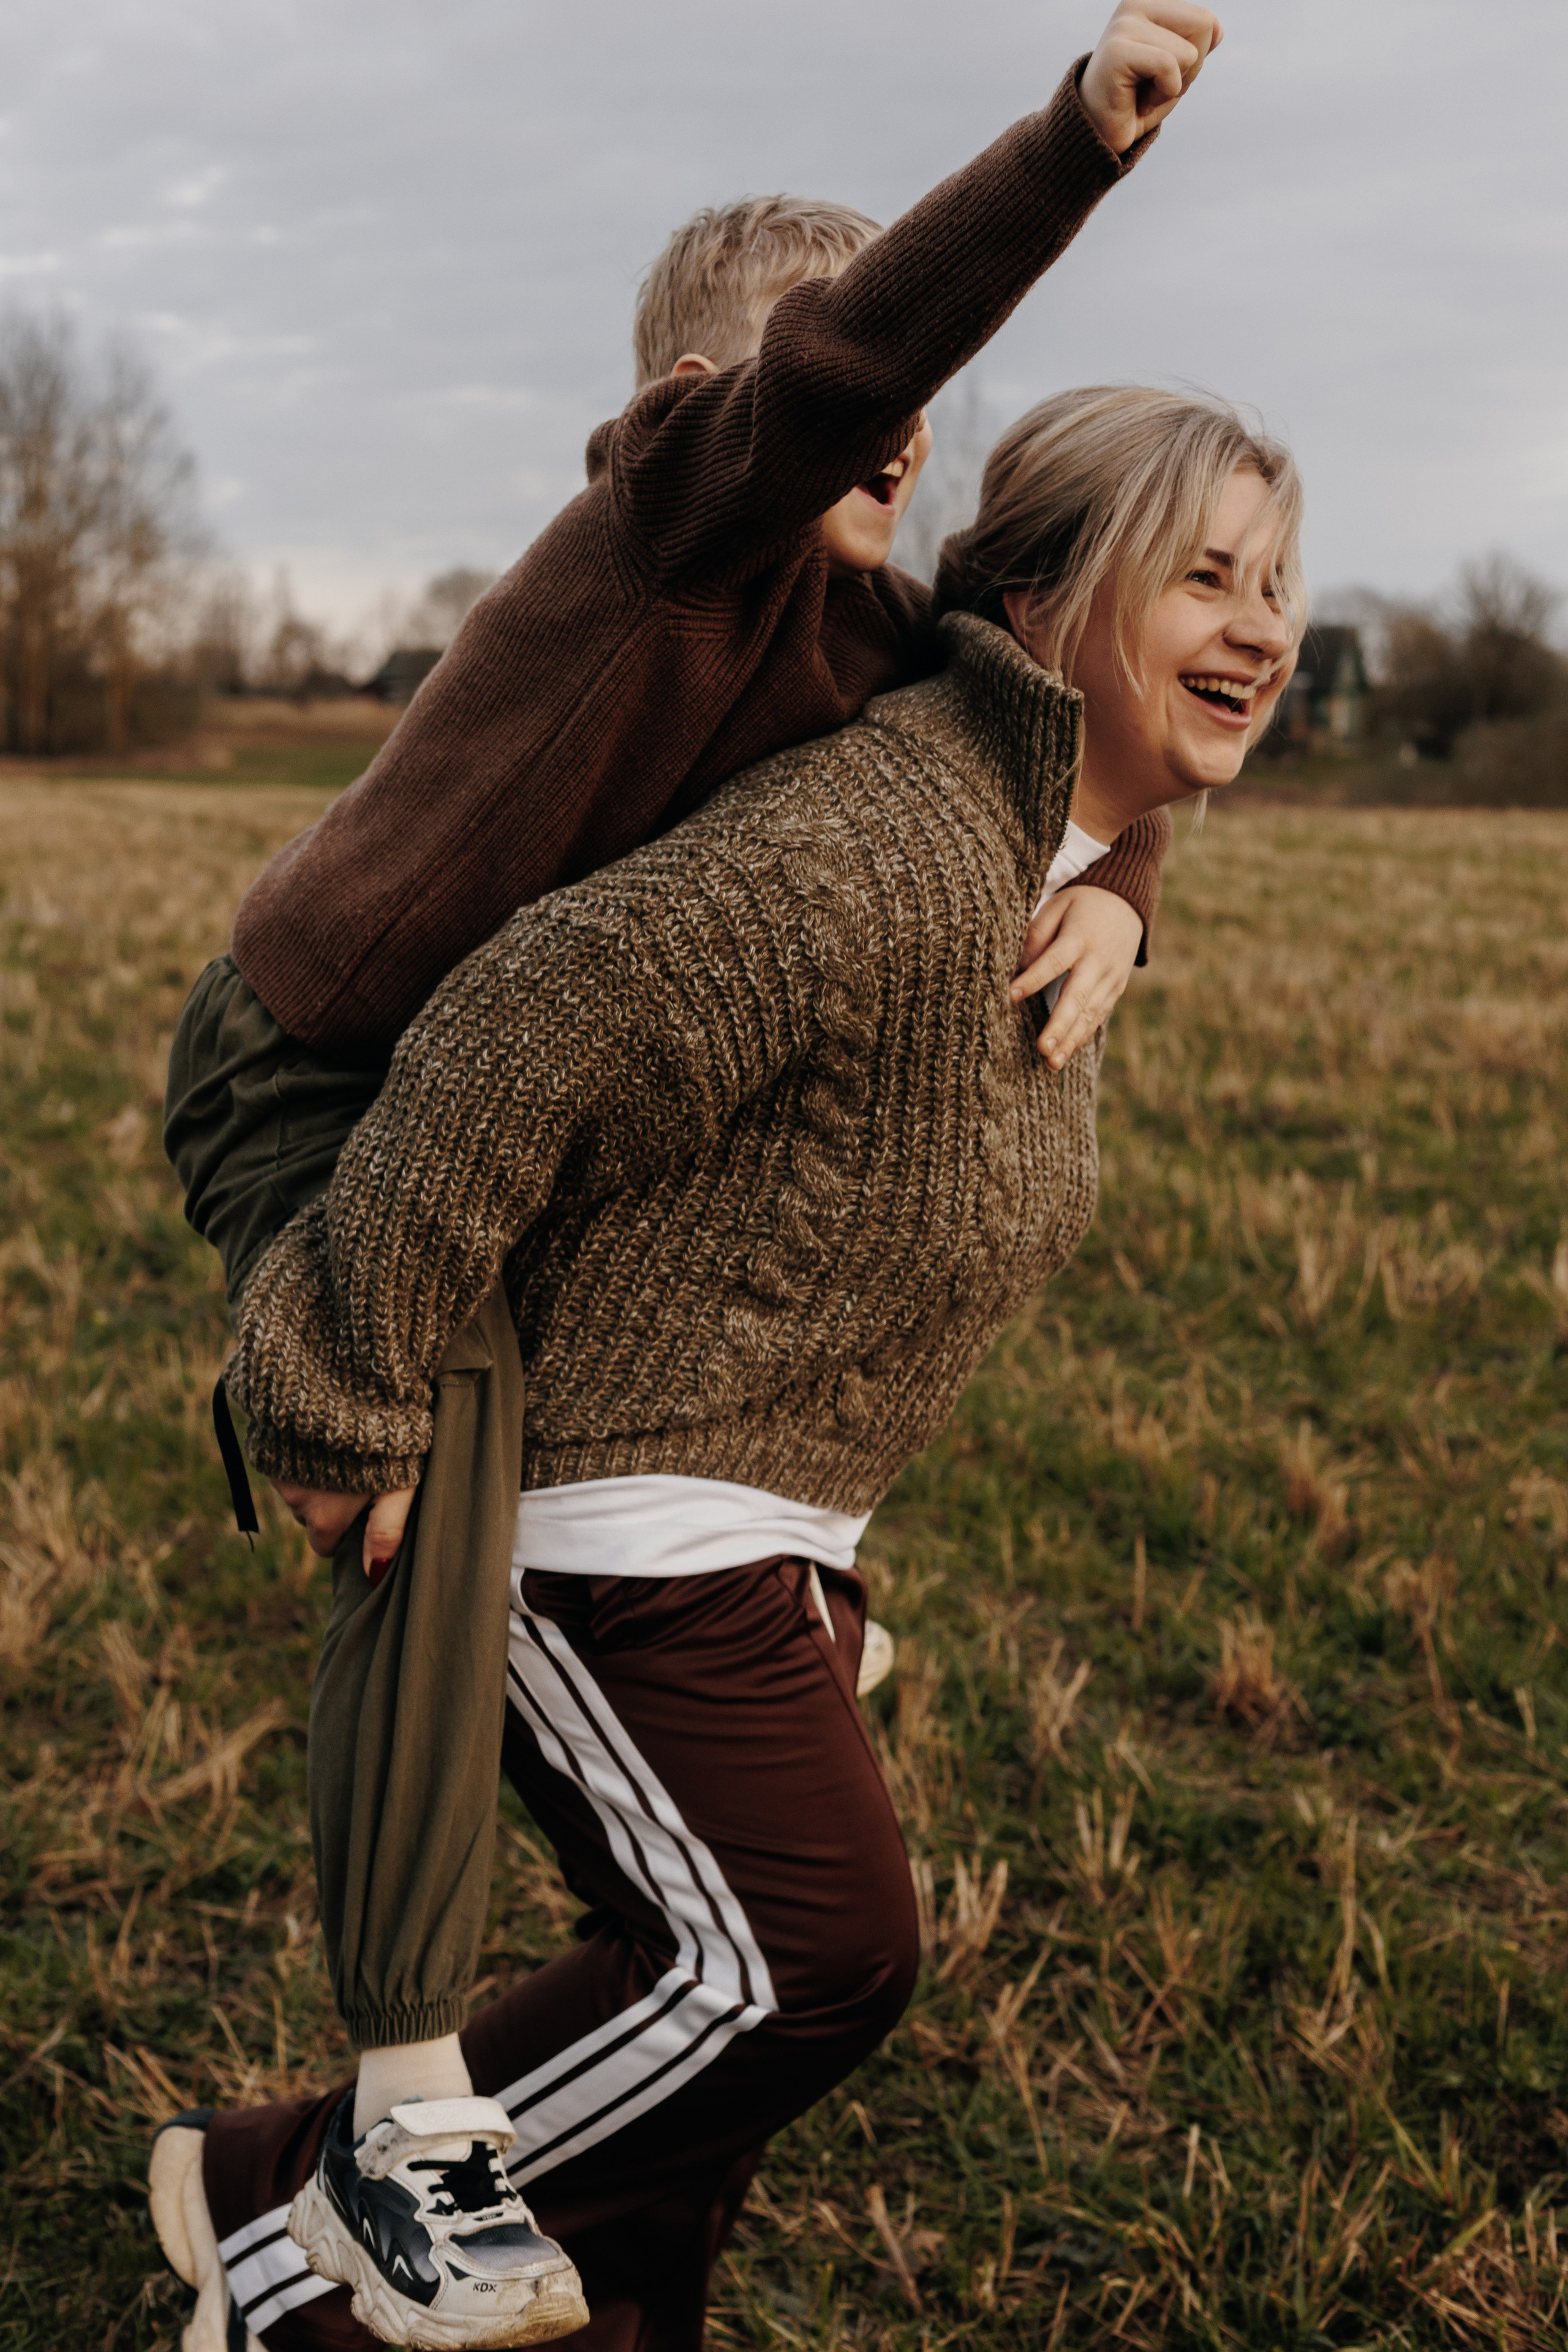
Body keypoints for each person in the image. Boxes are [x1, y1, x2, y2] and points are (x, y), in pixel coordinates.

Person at [158, 0, 1221, 2293]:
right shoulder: (669, 528)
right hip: (310, 1049)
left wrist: (1122, 900)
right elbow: (827, 371)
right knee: (417, 1446)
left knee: (494, 1401)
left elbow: (1069, 728)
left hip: (480, 1083)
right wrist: (1067, 147)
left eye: (908, 412)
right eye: (843, 379)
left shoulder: (869, 628)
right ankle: (399, 2105)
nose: (892, 419)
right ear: (691, 407)